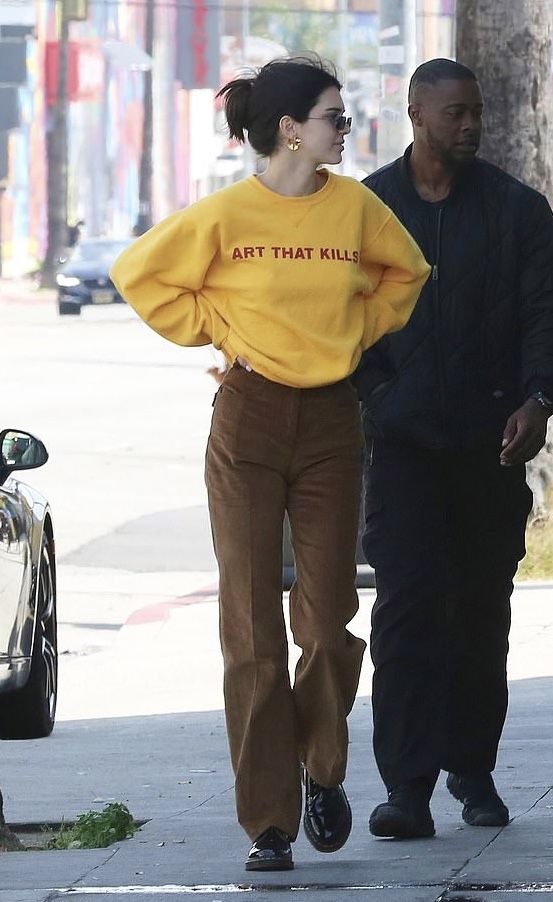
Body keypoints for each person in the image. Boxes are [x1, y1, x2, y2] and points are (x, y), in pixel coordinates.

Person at [110, 56, 429, 870]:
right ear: (291, 129)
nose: (345, 129)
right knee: (250, 627)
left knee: (324, 623)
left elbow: (407, 274)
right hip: (247, 419)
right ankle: (269, 823)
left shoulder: (354, 206)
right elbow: (139, 276)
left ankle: (322, 767)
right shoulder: (225, 214)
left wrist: (357, 332)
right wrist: (214, 325)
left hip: (330, 421)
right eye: (334, 116)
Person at [354, 58, 553, 840]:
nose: (468, 125)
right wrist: (378, 397)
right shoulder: (368, 208)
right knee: (404, 610)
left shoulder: (518, 210)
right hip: (400, 447)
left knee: (478, 610)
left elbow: (544, 314)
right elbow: (348, 318)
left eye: (475, 112)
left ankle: (472, 772)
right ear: (415, 113)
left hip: (489, 444)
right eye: (454, 113)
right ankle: (405, 787)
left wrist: (539, 399)